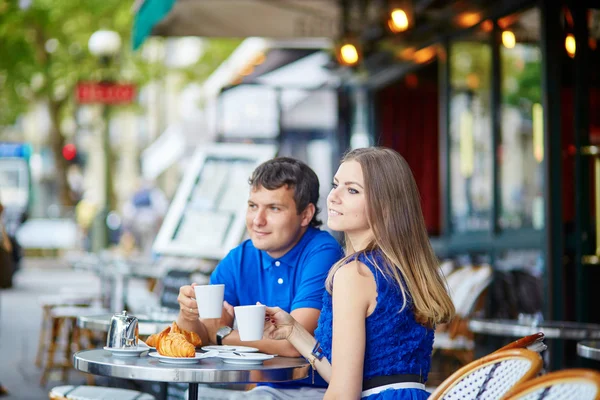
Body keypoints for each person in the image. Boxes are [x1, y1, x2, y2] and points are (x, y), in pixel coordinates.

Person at [262, 147, 455, 399]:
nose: (333, 197)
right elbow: (356, 377)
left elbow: (344, 393)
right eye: (336, 185)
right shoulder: (401, 270)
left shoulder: (355, 273)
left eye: (352, 190)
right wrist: (293, 331)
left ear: (385, 206)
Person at [176, 157, 343, 399]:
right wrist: (188, 313)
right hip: (261, 388)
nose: (257, 220)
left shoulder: (323, 252)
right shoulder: (239, 258)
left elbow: (293, 343)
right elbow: (197, 337)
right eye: (253, 206)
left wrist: (221, 336)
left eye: (274, 208)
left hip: (317, 390)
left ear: (305, 215)